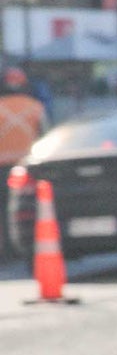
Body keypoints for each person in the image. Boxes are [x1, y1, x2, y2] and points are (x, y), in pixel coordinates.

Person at [0, 66, 48, 261]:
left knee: (4, 211)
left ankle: (7, 251)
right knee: (30, 209)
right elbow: (46, 137)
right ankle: (28, 248)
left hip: (2, 168)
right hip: (27, 168)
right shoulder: (36, 108)